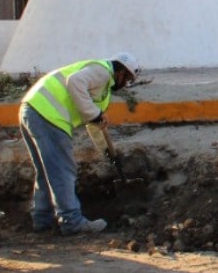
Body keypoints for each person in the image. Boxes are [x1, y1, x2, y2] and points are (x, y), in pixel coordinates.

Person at [19, 53, 140, 235]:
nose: (125, 85)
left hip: (32, 110)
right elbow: (75, 82)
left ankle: (42, 219)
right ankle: (71, 221)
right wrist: (95, 113)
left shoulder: (101, 87)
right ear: (121, 73)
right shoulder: (103, 72)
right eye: (127, 80)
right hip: (49, 116)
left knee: (46, 171)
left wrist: (108, 152)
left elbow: (94, 124)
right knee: (62, 170)